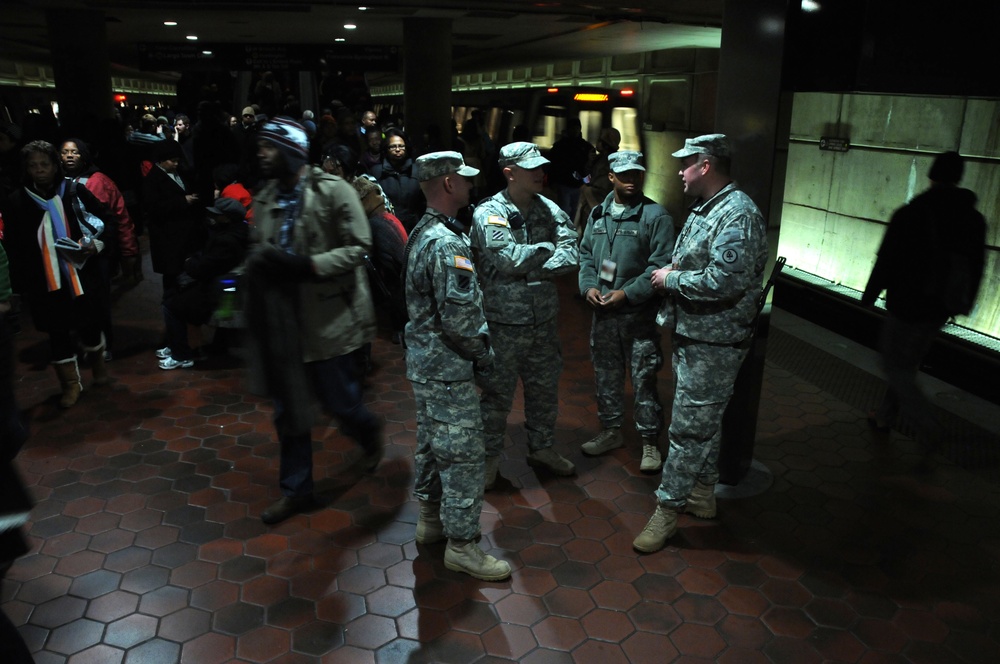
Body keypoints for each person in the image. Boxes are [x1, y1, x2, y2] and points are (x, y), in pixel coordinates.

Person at [244, 117, 382, 525]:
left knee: (340, 404)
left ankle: (368, 432)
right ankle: (296, 490)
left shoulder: (333, 191)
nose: (261, 154)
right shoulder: (266, 196)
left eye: (269, 147)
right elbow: (260, 246)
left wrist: (307, 265)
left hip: (328, 323)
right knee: (290, 413)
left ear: (292, 150)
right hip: (284, 324)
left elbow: (359, 246)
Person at [637, 134, 768, 553]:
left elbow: (724, 281)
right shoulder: (708, 208)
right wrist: (676, 267)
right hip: (698, 334)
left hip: (716, 340)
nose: (679, 171)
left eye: (686, 163)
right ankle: (702, 494)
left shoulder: (737, 214)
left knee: (688, 431)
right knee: (702, 423)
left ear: (706, 165)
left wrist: (670, 279)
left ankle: (667, 511)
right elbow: (701, 262)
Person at [404, 150, 510, 581]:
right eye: (463, 178)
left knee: (432, 445)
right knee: (465, 456)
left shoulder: (423, 231)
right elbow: (461, 320)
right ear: (448, 184)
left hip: (426, 364)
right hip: (448, 368)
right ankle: (463, 547)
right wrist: (486, 359)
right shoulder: (447, 244)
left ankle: (430, 522)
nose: (469, 183)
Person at [861, 151, 986, 463]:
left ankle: (927, 425)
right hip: (940, 306)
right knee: (908, 363)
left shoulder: (913, 211)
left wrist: (870, 293)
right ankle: (885, 416)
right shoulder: (973, 218)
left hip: (907, 303)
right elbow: (977, 264)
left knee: (893, 364)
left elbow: (887, 257)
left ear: (931, 175)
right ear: (959, 177)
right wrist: (965, 301)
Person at [470, 142, 579, 489]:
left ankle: (542, 448)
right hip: (504, 323)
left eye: (540, 167)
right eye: (531, 168)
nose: (539, 173)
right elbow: (507, 259)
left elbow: (572, 252)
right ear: (509, 173)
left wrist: (536, 265)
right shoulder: (489, 213)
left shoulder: (549, 209)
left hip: (543, 321)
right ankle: (488, 459)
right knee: (497, 396)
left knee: (544, 390)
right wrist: (546, 252)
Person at [578, 151, 674, 472]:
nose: (632, 180)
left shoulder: (655, 217)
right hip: (603, 314)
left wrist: (627, 294)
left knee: (644, 378)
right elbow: (587, 255)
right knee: (606, 375)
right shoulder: (598, 215)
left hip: (638, 317)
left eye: (637, 174)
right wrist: (589, 286)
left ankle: (649, 442)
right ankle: (611, 431)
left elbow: (660, 267)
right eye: (625, 175)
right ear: (611, 177)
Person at [3, 140, 118, 408]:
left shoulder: (74, 191)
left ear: (55, 166)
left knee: (89, 325)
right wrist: (18, 285)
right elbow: (14, 246)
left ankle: (99, 369)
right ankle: (70, 385)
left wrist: (96, 244)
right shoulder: (16, 201)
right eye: (33, 166)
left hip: (80, 275)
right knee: (57, 332)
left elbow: (107, 219)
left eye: (45, 164)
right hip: (44, 280)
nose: (39, 170)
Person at [159, 198, 249, 369]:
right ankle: (178, 346)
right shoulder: (235, 231)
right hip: (217, 282)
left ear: (227, 218)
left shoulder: (228, 241)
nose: (213, 217)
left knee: (171, 306)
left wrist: (188, 262)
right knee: (173, 296)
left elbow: (205, 267)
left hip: (217, 288)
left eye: (218, 215)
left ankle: (181, 355)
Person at [142, 139, 203, 296]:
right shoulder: (153, 179)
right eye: (172, 161)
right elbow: (154, 207)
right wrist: (183, 201)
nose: (176, 164)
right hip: (167, 235)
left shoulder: (177, 173)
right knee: (171, 274)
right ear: (161, 160)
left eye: (177, 161)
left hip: (182, 233)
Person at [369, 128, 425, 232]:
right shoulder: (376, 172)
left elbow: (423, 203)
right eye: (393, 146)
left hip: (414, 227)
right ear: (386, 149)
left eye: (401, 146)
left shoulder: (416, 171)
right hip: (387, 228)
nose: (398, 149)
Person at [547, 118, 595, 218]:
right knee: (573, 212)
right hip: (573, 184)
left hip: (569, 184)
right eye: (573, 128)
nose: (575, 130)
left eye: (577, 128)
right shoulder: (585, 146)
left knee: (568, 211)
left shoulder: (559, 146)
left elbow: (553, 164)